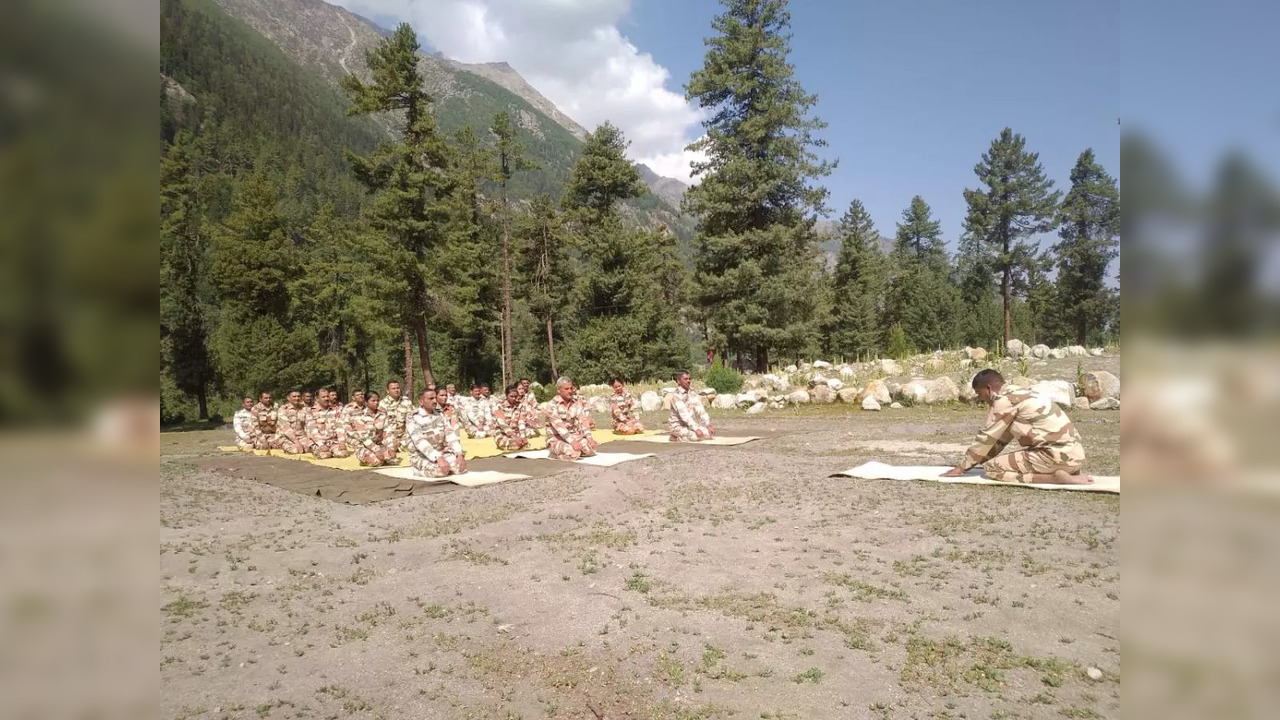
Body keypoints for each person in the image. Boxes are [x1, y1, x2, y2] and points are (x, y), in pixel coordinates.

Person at [941, 369, 1092, 484]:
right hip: (1076, 456)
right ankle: (1071, 472)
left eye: (980, 394)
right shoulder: (1023, 393)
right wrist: (973, 463)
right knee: (992, 461)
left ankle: (1053, 478)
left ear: (988, 389)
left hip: (1054, 457)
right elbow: (1000, 440)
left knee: (992, 468)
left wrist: (961, 468)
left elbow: (986, 438)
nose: (981, 399)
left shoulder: (1004, 402)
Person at [406, 388, 466, 478]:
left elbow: (450, 435)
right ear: (421, 401)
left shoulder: (440, 414)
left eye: (435, 398)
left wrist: (459, 454)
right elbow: (419, 441)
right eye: (430, 399)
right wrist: (438, 458)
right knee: (440, 471)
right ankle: (417, 470)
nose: (434, 401)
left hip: (442, 452)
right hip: (422, 455)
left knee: (459, 468)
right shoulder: (413, 417)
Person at [544, 377, 598, 461]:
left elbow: (583, 420)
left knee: (591, 449)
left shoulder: (576, 402)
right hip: (556, 438)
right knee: (573, 452)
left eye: (571, 388)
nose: (570, 391)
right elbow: (560, 427)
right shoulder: (551, 405)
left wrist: (589, 437)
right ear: (559, 390)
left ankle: (572, 451)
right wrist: (573, 442)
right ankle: (555, 454)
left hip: (573, 435)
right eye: (566, 389)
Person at [349, 391, 398, 466]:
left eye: (378, 400)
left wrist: (391, 448)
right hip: (365, 446)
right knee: (377, 461)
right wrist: (376, 450)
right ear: (366, 402)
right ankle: (365, 458)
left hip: (379, 445)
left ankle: (382, 456)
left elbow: (387, 432)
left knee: (393, 460)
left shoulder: (382, 414)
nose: (376, 403)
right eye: (373, 401)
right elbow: (364, 438)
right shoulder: (360, 416)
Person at [668, 371, 714, 442]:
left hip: (689, 426)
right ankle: (675, 436)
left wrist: (707, 424)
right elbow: (684, 416)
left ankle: (688, 434)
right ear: (679, 381)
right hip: (678, 426)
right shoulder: (676, 396)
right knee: (695, 437)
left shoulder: (692, 393)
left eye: (689, 379)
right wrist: (696, 429)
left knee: (707, 434)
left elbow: (700, 410)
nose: (688, 381)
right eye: (685, 379)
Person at [306, 389, 350, 459]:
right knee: (324, 455)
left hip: (333, 442)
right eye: (323, 397)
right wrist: (321, 444)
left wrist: (341, 442)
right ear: (317, 399)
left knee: (343, 454)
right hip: (318, 443)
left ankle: (333, 451)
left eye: (327, 396)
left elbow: (340, 427)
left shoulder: (336, 410)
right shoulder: (311, 412)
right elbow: (312, 431)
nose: (326, 399)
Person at [492, 383, 530, 451]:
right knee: (515, 445)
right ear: (506, 396)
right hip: (502, 433)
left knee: (525, 443)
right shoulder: (499, 407)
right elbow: (503, 425)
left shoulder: (521, 406)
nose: (514, 398)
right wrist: (514, 437)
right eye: (511, 396)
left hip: (516, 432)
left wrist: (523, 436)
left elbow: (521, 422)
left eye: (515, 396)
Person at [382, 380, 413, 449]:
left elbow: (412, 419)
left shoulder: (406, 401)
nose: (396, 390)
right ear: (387, 391)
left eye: (398, 388)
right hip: (389, 436)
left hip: (404, 436)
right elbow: (383, 426)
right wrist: (391, 439)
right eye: (393, 388)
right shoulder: (382, 404)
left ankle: (400, 445)